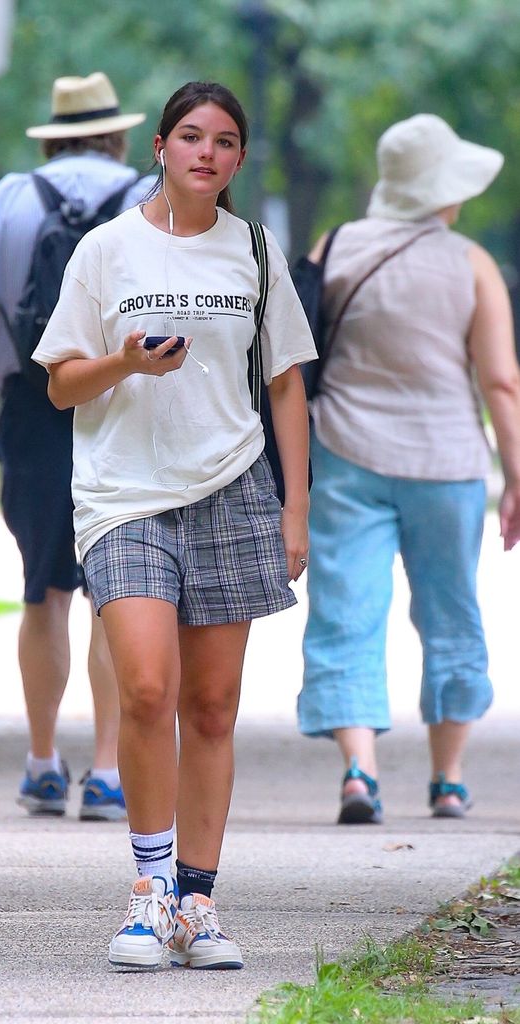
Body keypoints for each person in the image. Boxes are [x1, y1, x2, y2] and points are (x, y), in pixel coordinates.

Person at [32, 81, 316, 969]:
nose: (206, 153)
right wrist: (121, 362)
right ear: (157, 146)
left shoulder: (256, 253)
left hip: (232, 487)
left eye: (225, 141)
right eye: (190, 136)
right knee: (147, 689)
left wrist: (294, 506)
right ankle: (149, 891)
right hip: (123, 495)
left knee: (212, 705)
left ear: (236, 159)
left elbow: (285, 385)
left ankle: (198, 902)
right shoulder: (105, 251)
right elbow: (59, 384)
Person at [0, 72, 155, 821]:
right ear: (118, 133)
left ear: (52, 135)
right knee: (114, 588)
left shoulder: (5, 199)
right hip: (125, 402)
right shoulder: (147, 197)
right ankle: (106, 773)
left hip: (32, 408)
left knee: (44, 589)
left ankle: (40, 765)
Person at [297, 114, 520, 825]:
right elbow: (500, 382)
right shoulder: (469, 263)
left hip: (343, 455)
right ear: (443, 190)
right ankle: (447, 778)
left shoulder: (332, 247)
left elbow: (298, 353)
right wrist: (514, 474)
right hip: (444, 461)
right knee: (449, 610)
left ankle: (359, 771)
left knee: (345, 612)